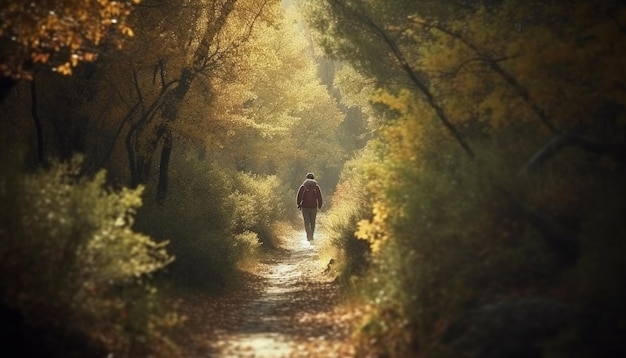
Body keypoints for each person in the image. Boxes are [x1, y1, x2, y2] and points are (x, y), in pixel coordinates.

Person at [296, 172, 323, 241]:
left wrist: (298, 204)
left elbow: (299, 196)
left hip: (305, 207)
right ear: (313, 178)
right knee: (313, 222)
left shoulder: (303, 186)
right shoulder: (316, 187)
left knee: (307, 222)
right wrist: (320, 205)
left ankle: (309, 236)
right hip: (314, 207)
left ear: (306, 178)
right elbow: (319, 197)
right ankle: (312, 236)